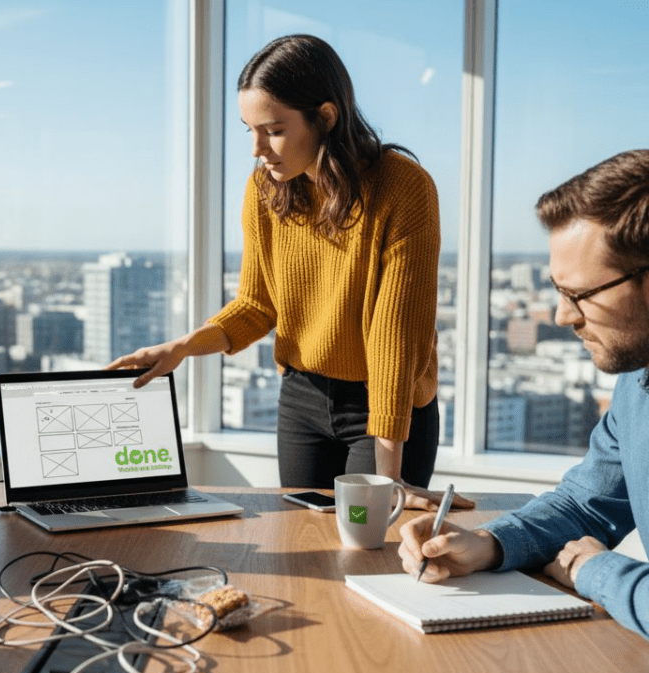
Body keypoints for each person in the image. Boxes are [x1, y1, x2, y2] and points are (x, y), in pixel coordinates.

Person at [107, 34, 468, 511]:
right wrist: (182, 348)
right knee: (304, 542)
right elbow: (258, 305)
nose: (257, 148)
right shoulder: (265, 189)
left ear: (326, 117)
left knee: (364, 549)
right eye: (249, 130)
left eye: (273, 130)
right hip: (301, 399)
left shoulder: (404, 188)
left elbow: (395, 336)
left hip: (385, 411)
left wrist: (390, 477)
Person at [399, 149, 649, 640]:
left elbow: (591, 552)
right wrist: (488, 544)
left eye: (579, 295)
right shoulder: (635, 381)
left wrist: (596, 571)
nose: (562, 316)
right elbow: (588, 502)